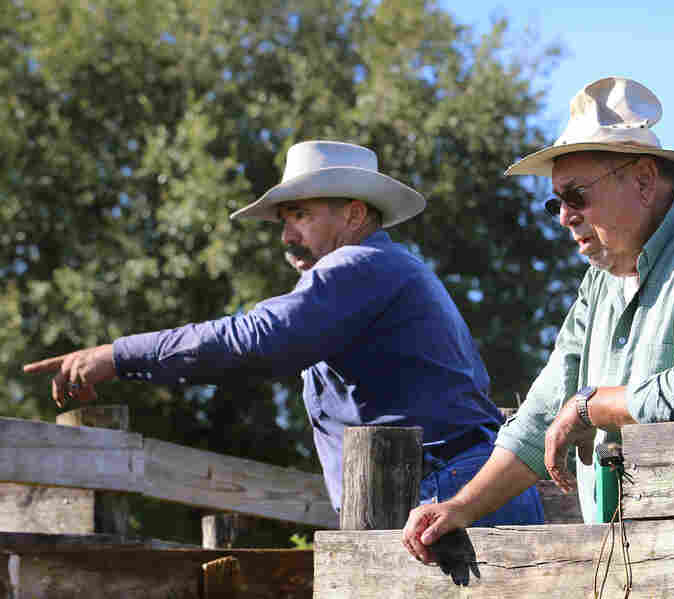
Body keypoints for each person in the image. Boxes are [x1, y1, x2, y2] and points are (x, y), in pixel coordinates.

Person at [23, 140, 544, 524]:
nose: (287, 236)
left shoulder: (359, 266)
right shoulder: (388, 270)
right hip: (455, 490)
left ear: (355, 214)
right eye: (283, 221)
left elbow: (255, 340)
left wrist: (118, 355)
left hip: (440, 495)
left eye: (299, 215)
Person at [402, 76, 674, 564]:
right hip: (646, 564)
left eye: (576, 196)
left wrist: (596, 405)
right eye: (557, 202)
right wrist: (460, 507)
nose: (565, 216)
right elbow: (544, 415)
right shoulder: (601, 282)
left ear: (643, 180)